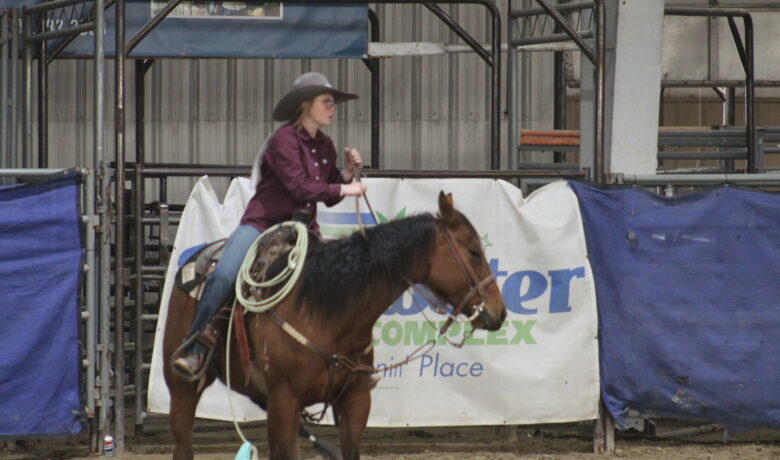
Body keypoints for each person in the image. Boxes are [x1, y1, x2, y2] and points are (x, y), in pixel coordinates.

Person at [173, 72, 367, 380]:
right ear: (306, 105)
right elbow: (301, 189)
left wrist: (344, 174)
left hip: (304, 232)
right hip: (263, 225)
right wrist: (346, 189)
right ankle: (196, 344)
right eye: (326, 102)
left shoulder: (325, 145)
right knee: (224, 274)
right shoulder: (283, 141)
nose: (333, 108)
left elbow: (325, 192)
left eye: (333, 103)